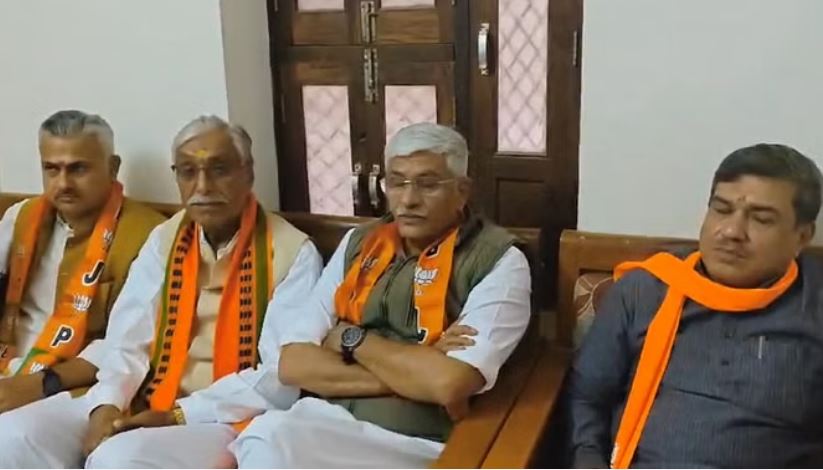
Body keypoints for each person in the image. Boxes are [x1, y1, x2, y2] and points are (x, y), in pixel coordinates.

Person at [0, 115, 323, 468]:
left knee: (118, 460)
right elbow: (127, 339)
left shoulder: (292, 251)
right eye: (188, 172)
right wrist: (107, 404)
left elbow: (280, 377)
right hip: (144, 398)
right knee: (14, 434)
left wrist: (178, 414)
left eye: (219, 170)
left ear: (248, 173)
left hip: (223, 417)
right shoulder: (165, 240)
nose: (203, 186)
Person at [230, 122, 532, 468]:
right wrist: (419, 365)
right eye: (397, 182)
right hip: (325, 422)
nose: (408, 199)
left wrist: (349, 338)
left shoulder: (499, 260)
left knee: (269, 438)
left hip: (416, 442)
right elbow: (293, 363)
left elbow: (448, 383)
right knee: (265, 435)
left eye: (427, 184)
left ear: (462, 191)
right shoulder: (360, 243)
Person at [568, 143, 823, 468]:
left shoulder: (814, 308)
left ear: (802, 236)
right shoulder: (645, 291)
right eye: (721, 209)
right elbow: (587, 399)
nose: (731, 231)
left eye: (761, 219)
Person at [0, 110, 165, 466]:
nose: (63, 183)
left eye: (78, 169)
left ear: (113, 167)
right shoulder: (21, 217)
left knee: (10, 437)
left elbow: (130, 341)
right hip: (10, 366)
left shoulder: (149, 235)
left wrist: (39, 384)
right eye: (51, 169)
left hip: (80, 387)